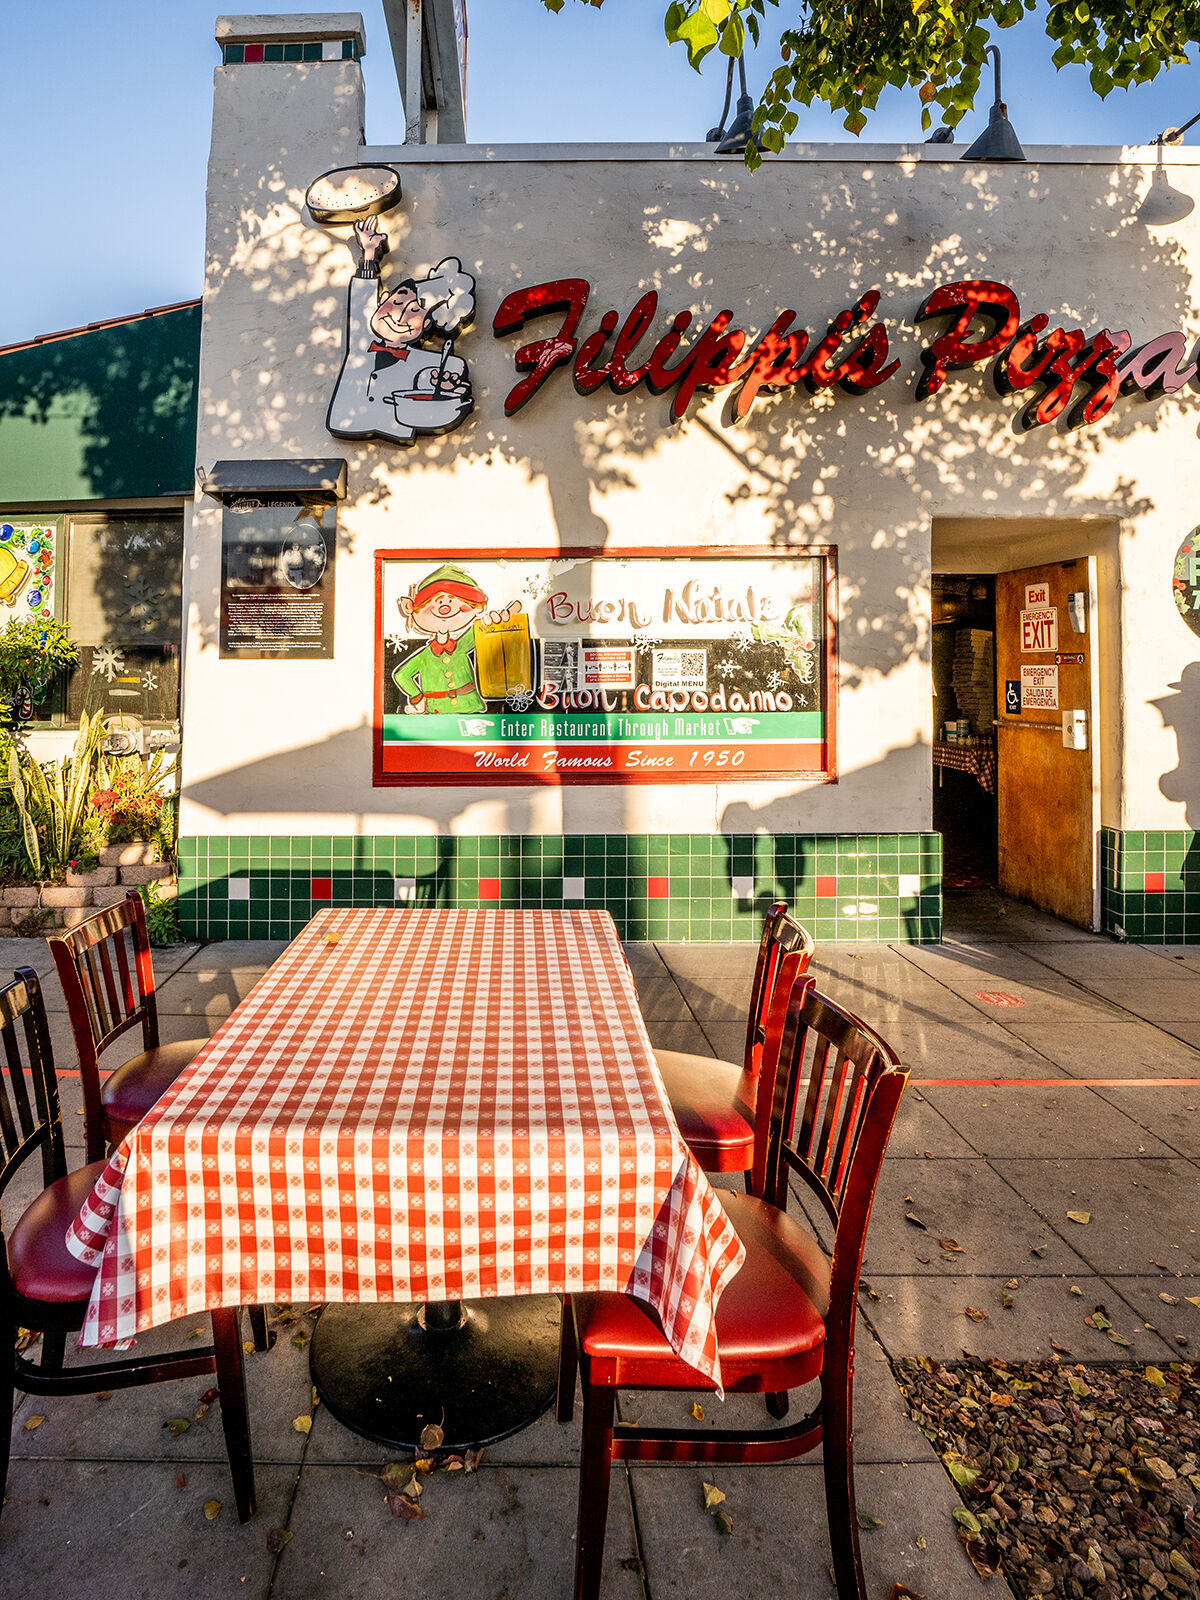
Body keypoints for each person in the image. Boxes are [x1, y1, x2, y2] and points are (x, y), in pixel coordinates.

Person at [327, 217, 475, 443]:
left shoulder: (430, 361)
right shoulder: (361, 337)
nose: (399, 315)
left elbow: (439, 374)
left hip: (394, 430)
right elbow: (361, 298)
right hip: (343, 422)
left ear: (427, 324)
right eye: (396, 303)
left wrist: (445, 385)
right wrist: (369, 254)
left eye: (414, 311)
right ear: (382, 300)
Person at [393, 563, 521, 715]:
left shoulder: (461, 645)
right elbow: (401, 675)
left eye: (453, 600)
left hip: (469, 707)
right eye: (437, 600)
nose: (445, 605)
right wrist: (417, 697)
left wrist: (497, 618)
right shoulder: (424, 657)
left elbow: (480, 629)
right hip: (437, 710)